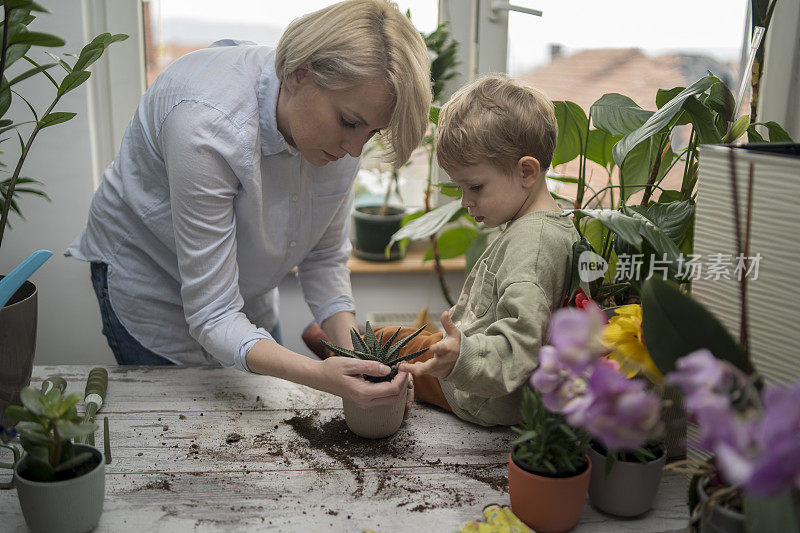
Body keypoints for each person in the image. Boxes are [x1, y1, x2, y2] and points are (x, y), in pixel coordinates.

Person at [65, 0, 432, 411]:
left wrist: (359, 360)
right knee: (188, 430)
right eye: (349, 123)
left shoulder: (343, 125)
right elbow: (213, 313)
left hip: (243, 290)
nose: (354, 149)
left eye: (372, 131)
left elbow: (323, 259)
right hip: (151, 284)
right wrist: (319, 376)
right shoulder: (206, 126)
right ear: (298, 73)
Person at [394, 75, 580, 425]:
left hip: (476, 394)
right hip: (477, 372)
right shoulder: (543, 225)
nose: (465, 201)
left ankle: (326, 346)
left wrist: (461, 356)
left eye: (475, 186)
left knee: (386, 343)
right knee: (401, 340)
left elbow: (518, 348)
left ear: (526, 171)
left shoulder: (533, 246)